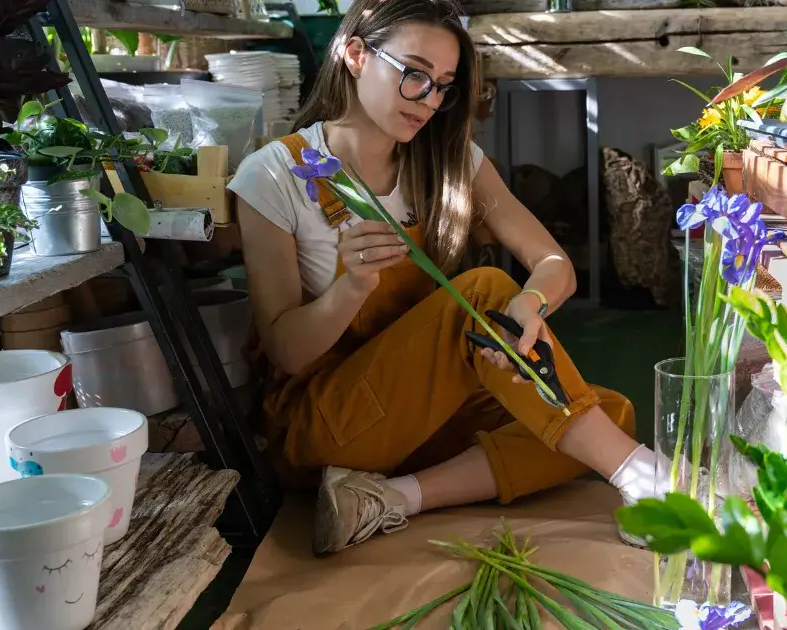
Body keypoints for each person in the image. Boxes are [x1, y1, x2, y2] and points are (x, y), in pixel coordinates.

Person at [228, 0, 667, 556]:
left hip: (418, 415)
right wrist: (350, 289)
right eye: (414, 74)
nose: (429, 101)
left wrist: (531, 303)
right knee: (482, 296)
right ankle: (645, 479)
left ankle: (390, 498)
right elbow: (285, 351)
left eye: (443, 86)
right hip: (327, 424)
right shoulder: (274, 174)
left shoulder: (447, 160)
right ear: (356, 55)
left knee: (604, 416)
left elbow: (554, 264)